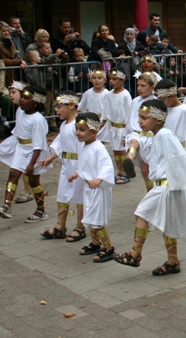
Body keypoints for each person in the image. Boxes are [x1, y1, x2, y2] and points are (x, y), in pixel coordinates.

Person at [115, 99, 186, 273]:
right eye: (139, 117)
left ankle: (134, 253)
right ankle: (173, 261)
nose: (140, 121)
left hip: (166, 187)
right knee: (166, 225)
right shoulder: (159, 135)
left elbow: (179, 157)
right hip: (165, 187)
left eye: (144, 118)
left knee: (141, 213)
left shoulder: (165, 135)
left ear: (159, 119)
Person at [0, 86, 50, 222]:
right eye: (21, 97)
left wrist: (32, 163)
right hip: (21, 148)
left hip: (35, 152)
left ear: (36, 102)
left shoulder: (38, 120)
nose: (21, 100)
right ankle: (6, 206)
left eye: (26, 98)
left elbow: (38, 144)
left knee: (34, 181)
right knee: (13, 174)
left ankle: (41, 210)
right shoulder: (20, 112)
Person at [154, 79, 186, 224]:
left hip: (179, 150)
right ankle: (174, 208)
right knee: (168, 179)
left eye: (162, 99)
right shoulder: (163, 110)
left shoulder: (184, 110)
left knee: (179, 180)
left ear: (172, 96)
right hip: (165, 150)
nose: (160, 102)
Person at [37, 92, 86, 241]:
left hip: (79, 165)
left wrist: (82, 168)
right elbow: (60, 143)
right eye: (55, 107)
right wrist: (51, 157)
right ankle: (60, 227)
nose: (56, 111)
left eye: (59, 107)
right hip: (66, 165)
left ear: (71, 105)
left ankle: (80, 227)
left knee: (79, 196)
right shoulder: (64, 125)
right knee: (63, 194)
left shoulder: (79, 125)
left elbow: (85, 146)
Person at [68, 112, 116, 262]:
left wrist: (99, 178)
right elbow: (85, 165)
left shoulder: (98, 148)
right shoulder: (83, 147)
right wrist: (77, 173)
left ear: (94, 132)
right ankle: (95, 243)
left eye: (82, 129)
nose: (77, 133)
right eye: (77, 128)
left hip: (98, 189)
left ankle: (108, 248)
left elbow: (107, 167)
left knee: (97, 220)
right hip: (89, 189)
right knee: (90, 217)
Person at [122, 72, 157, 191]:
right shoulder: (135, 101)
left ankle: (150, 190)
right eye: (138, 85)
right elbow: (130, 118)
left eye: (143, 86)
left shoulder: (156, 102)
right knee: (133, 141)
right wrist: (124, 135)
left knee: (145, 169)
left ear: (152, 87)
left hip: (149, 136)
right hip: (136, 133)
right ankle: (129, 159)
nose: (139, 88)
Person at [99, 68, 132, 184]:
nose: (111, 82)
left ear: (122, 80)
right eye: (110, 79)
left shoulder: (125, 95)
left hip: (122, 127)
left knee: (122, 150)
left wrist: (129, 129)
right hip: (113, 127)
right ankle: (120, 171)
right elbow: (105, 110)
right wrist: (102, 123)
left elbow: (129, 112)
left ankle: (126, 173)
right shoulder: (109, 95)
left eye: (115, 79)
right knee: (115, 150)